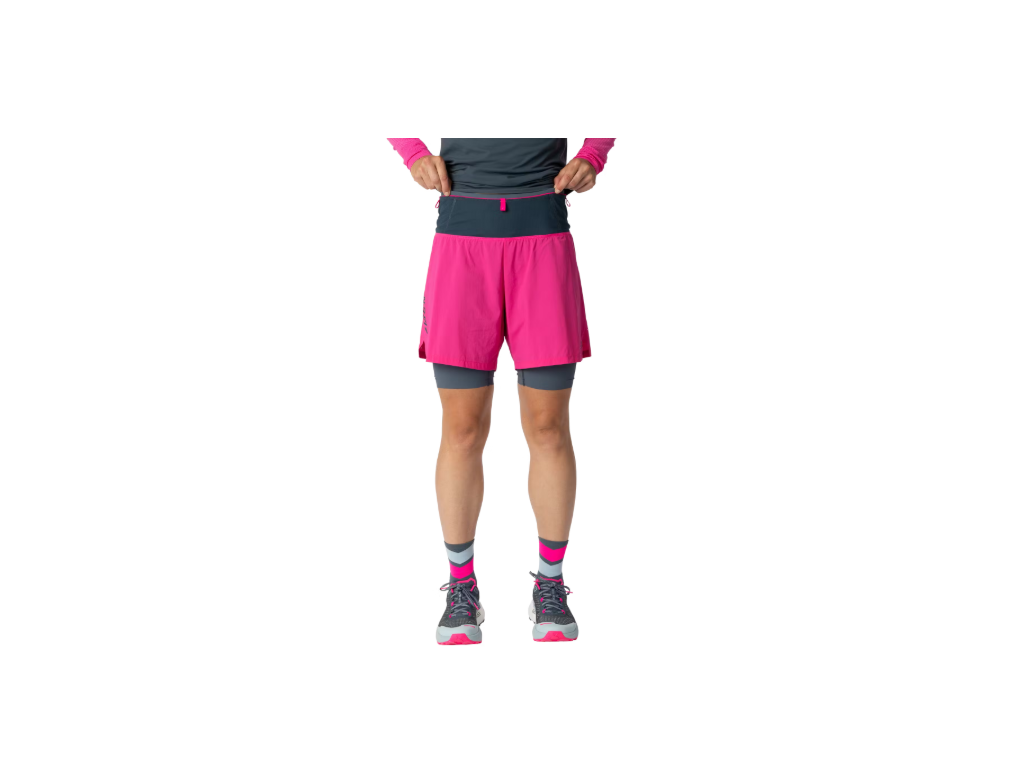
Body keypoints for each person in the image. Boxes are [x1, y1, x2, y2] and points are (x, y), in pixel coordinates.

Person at [388, 138, 616, 644]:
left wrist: (596, 151)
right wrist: (410, 149)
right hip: (462, 240)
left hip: (543, 238)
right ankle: (462, 588)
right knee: (462, 430)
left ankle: (550, 584)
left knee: (548, 428)